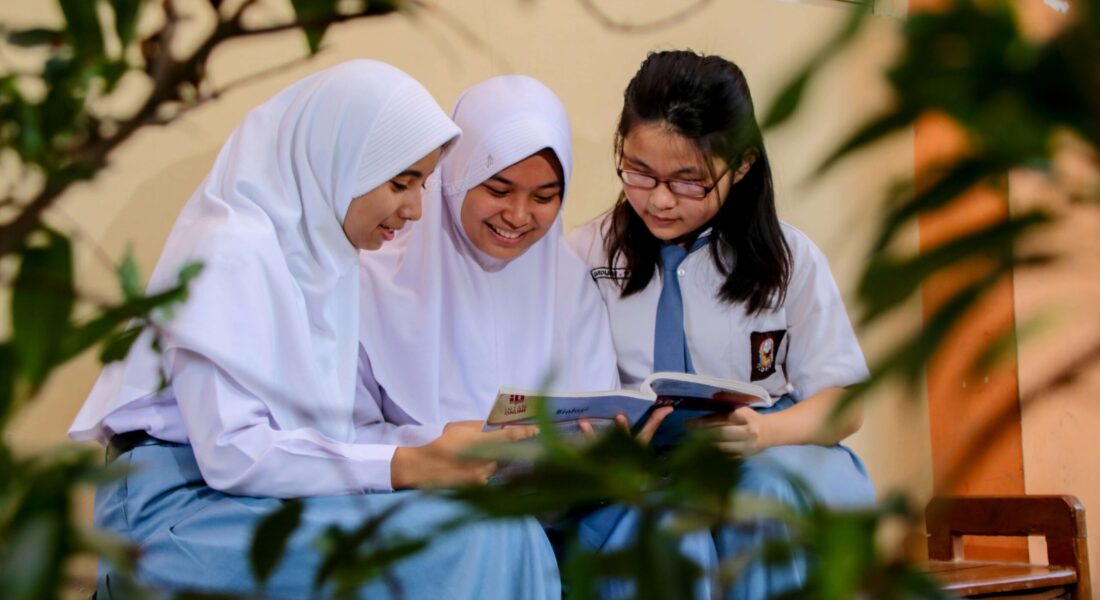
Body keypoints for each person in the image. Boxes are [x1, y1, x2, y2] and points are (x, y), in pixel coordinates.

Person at [69, 60, 559, 599]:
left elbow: (329, 438)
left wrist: (443, 445)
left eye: (421, 185)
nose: (415, 210)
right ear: (338, 161)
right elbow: (233, 452)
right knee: (476, 537)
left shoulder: (323, 259)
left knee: (508, 525)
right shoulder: (229, 249)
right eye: (400, 183)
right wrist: (410, 464)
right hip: (181, 509)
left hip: (264, 495)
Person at [567, 50, 876, 598]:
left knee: (757, 492)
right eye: (640, 172)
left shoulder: (788, 259)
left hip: (774, 458)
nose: (659, 200)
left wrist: (765, 433)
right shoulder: (584, 254)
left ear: (742, 165)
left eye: (689, 181)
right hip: (646, 466)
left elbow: (843, 403)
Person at [357, 74, 620, 429]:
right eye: (498, 191)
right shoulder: (373, 280)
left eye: (543, 197)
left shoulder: (572, 285)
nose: (518, 216)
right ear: (455, 176)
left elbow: (600, 417)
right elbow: (344, 437)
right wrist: (429, 452)